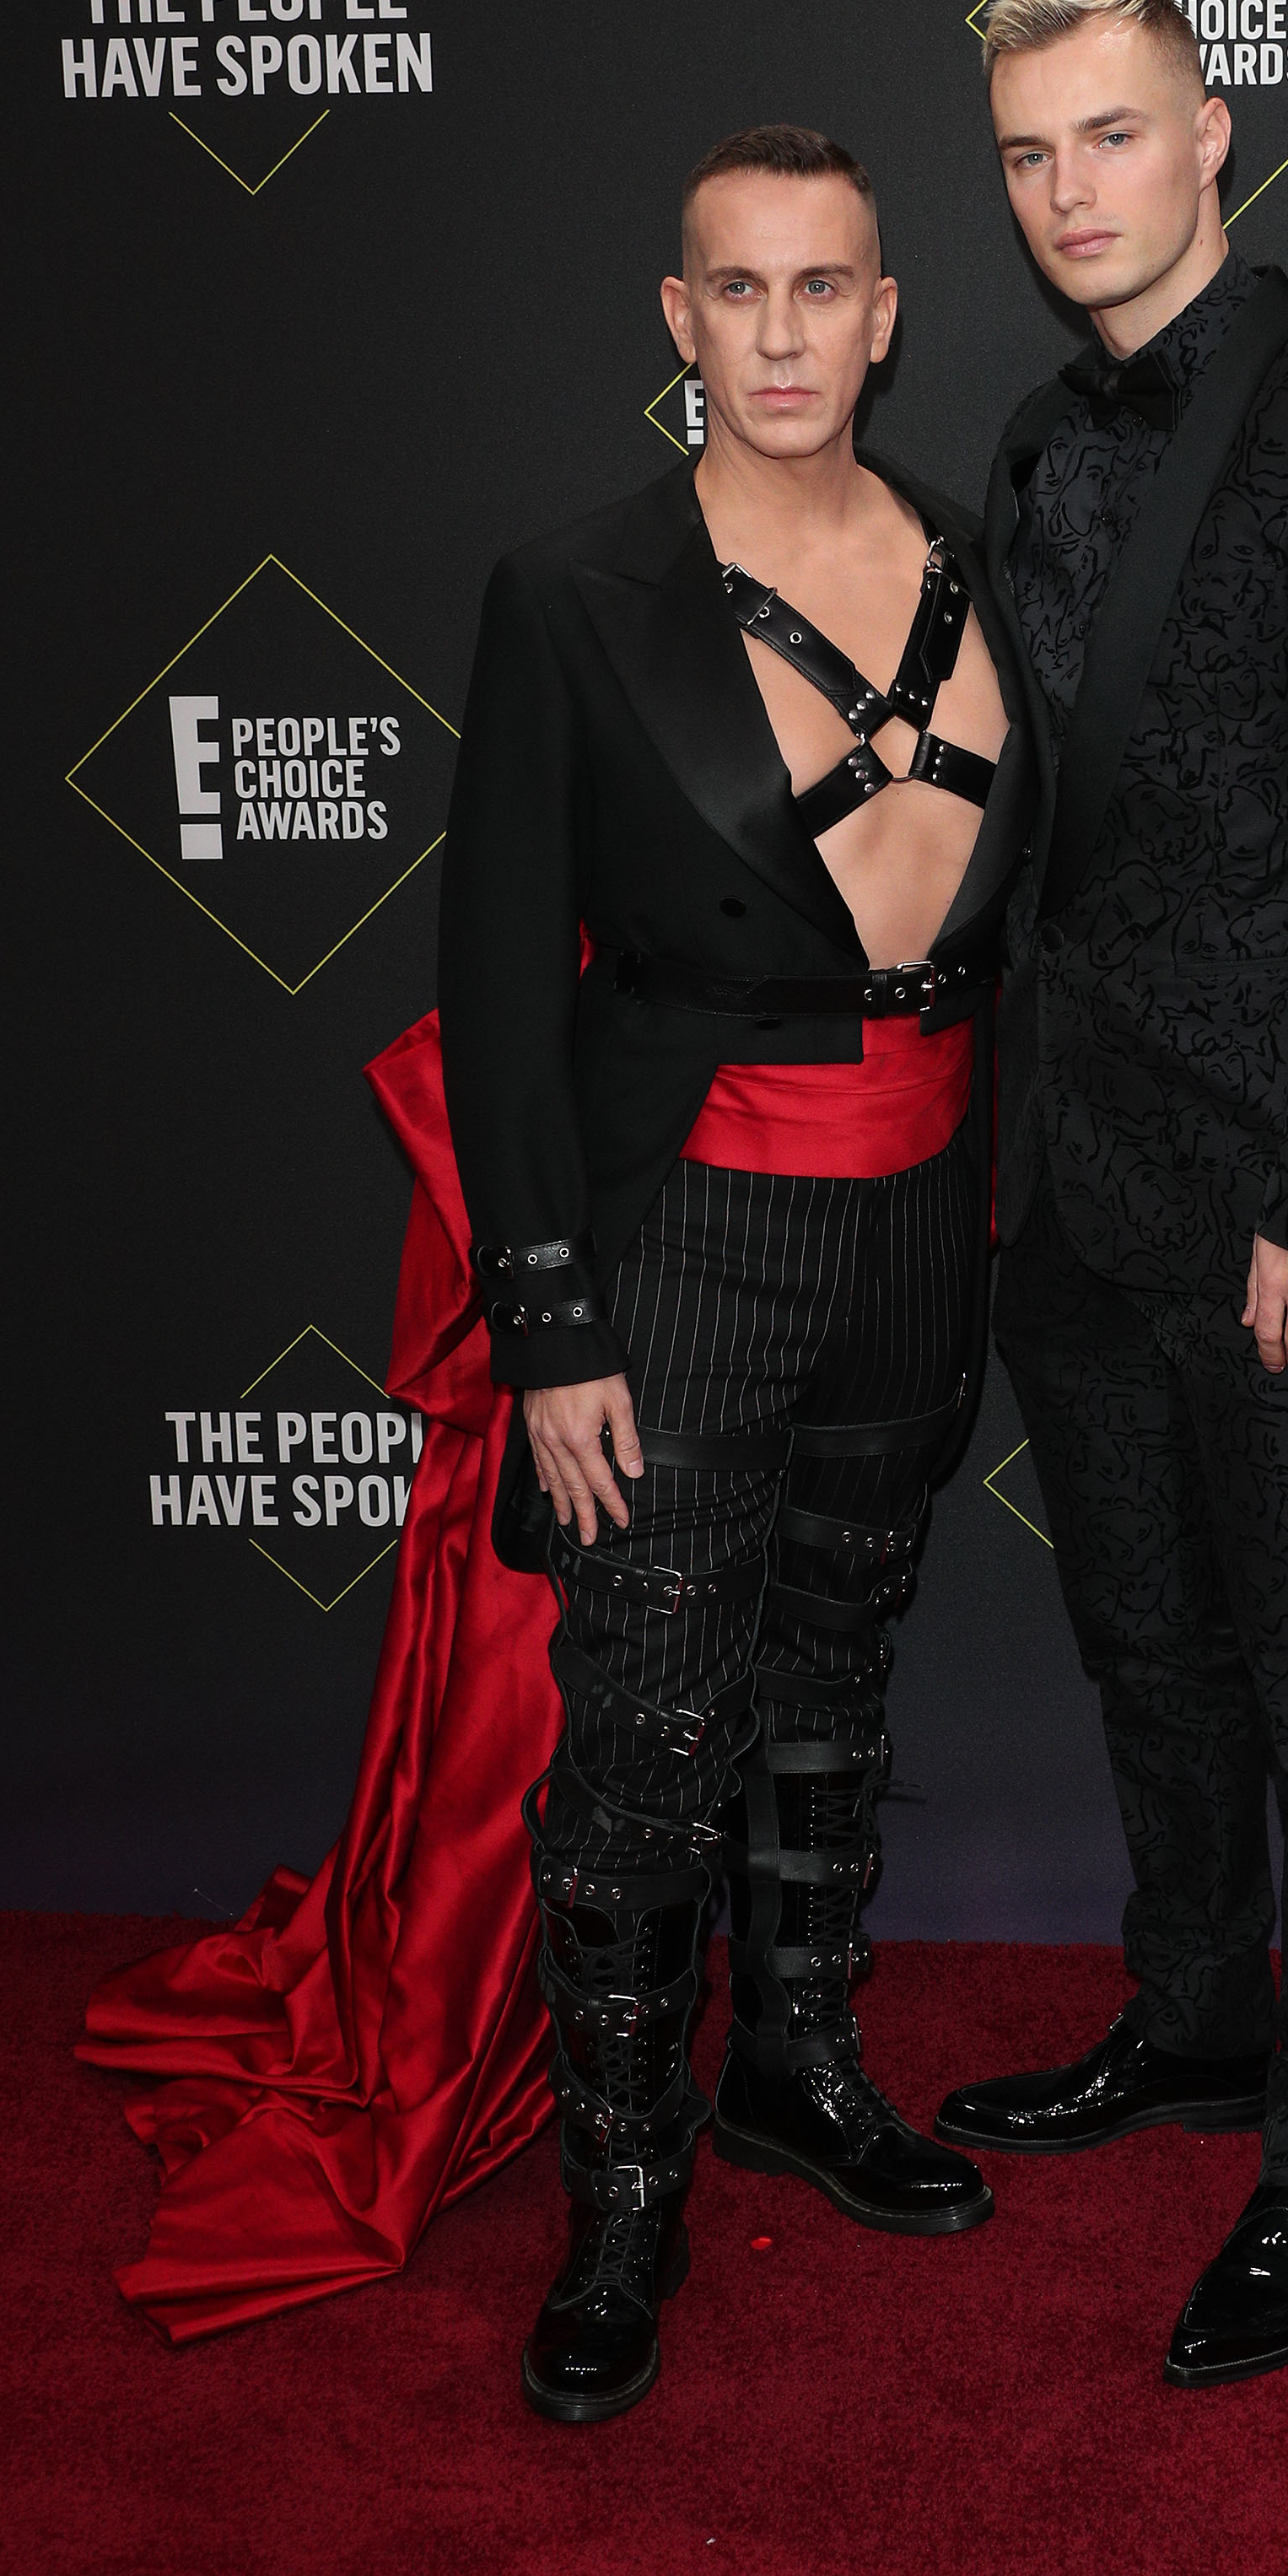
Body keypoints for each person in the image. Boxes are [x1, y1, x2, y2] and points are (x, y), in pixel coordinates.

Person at [935, 0, 1288, 2385]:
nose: (1070, 191)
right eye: (1028, 153)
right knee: (1147, 1646)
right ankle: (1194, 2019)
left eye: (1111, 135)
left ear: (1214, 135)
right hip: (1071, 1177)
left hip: (1280, 1204)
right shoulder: (1031, 447)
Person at [439, 125, 1034, 2423]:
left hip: (919, 1225)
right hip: (689, 1230)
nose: (784, 334)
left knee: (829, 1681)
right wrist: (551, 1316)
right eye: (739, 290)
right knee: (647, 1737)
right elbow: (502, 991)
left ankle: (798, 2065)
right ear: (677, 318)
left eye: (826, 287)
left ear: (889, 313)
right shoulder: (572, 591)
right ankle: (621, 2196)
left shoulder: (973, 561)